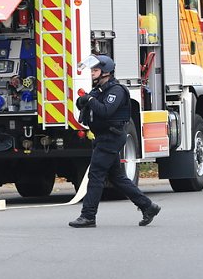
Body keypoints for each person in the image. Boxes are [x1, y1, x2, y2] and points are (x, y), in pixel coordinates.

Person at [69, 55, 160, 228]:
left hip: (111, 137)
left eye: (95, 70)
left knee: (95, 176)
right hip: (103, 137)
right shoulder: (100, 89)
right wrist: (85, 100)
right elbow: (83, 103)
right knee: (117, 177)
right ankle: (148, 206)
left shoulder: (116, 91)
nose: (92, 73)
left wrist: (90, 100)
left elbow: (105, 111)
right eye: (92, 70)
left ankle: (88, 216)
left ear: (106, 72)